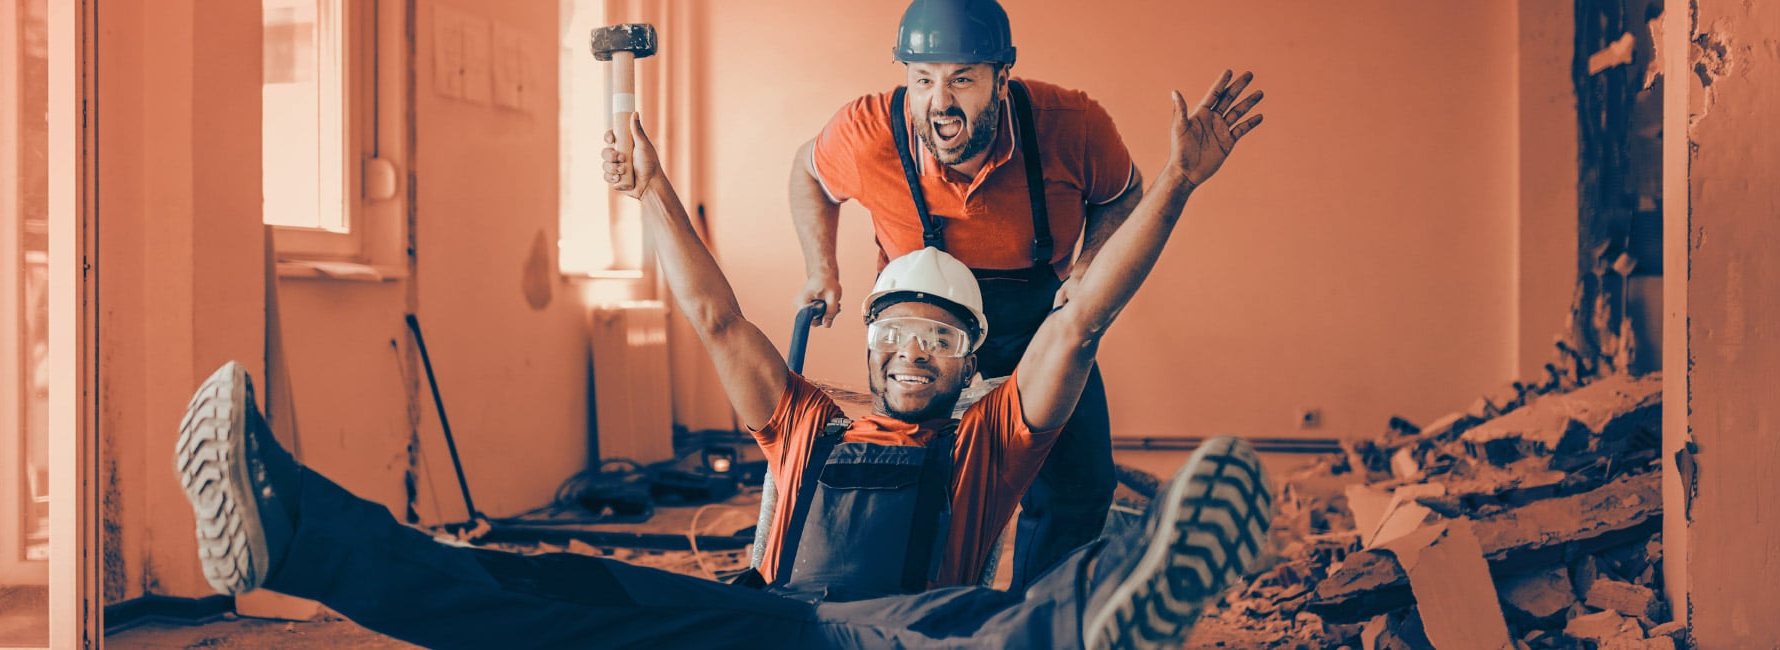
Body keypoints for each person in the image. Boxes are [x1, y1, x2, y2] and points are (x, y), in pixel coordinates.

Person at [174, 66, 1268, 648]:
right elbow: (711, 314)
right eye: (895, 329)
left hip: (869, 640)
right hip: (755, 621)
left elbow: (1077, 323)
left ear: (970, 357)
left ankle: (1097, 606)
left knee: (947, 624)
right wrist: (648, 186)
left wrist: (1174, 183)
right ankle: (295, 535)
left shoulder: (991, 440)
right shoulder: (806, 419)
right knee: (544, 588)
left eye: (939, 337)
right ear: (867, 334)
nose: (910, 351)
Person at [789, 0, 1262, 587]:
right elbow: (807, 173)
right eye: (923, 79)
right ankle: (914, 607)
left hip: (1039, 322)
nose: (939, 101)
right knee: (918, 471)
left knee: (1079, 483)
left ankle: (1039, 620)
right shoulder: (867, 133)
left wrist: (1085, 269)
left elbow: (1122, 193)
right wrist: (821, 270)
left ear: (1001, 79)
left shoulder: (1074, 124)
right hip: (929, 337)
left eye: (962, 78)